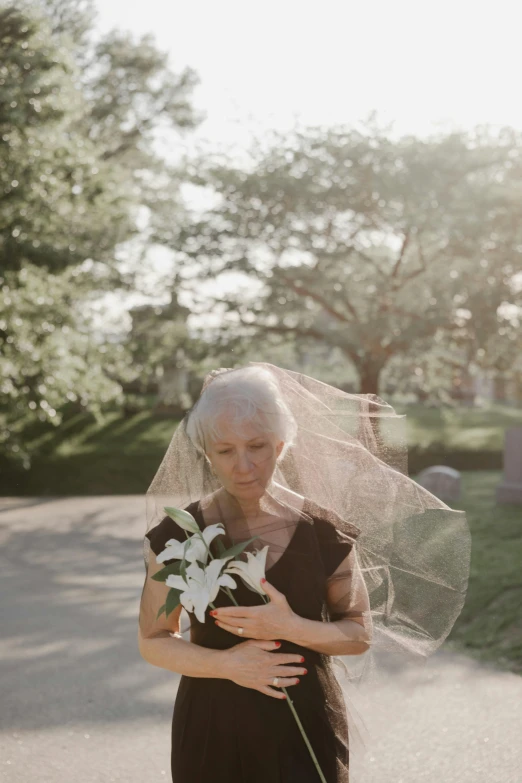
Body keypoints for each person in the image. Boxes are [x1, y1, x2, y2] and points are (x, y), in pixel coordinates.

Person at [138, 363, 470, 783]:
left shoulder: (324, 533)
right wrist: (227, 665)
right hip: (211, 727)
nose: (244, 465)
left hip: (304, 727)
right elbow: (153, 639)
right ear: (206, 453)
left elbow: (358, 634)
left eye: (256, 445)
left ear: (280, 444)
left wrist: (290, 625)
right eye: (225, 451)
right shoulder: (178, 537)